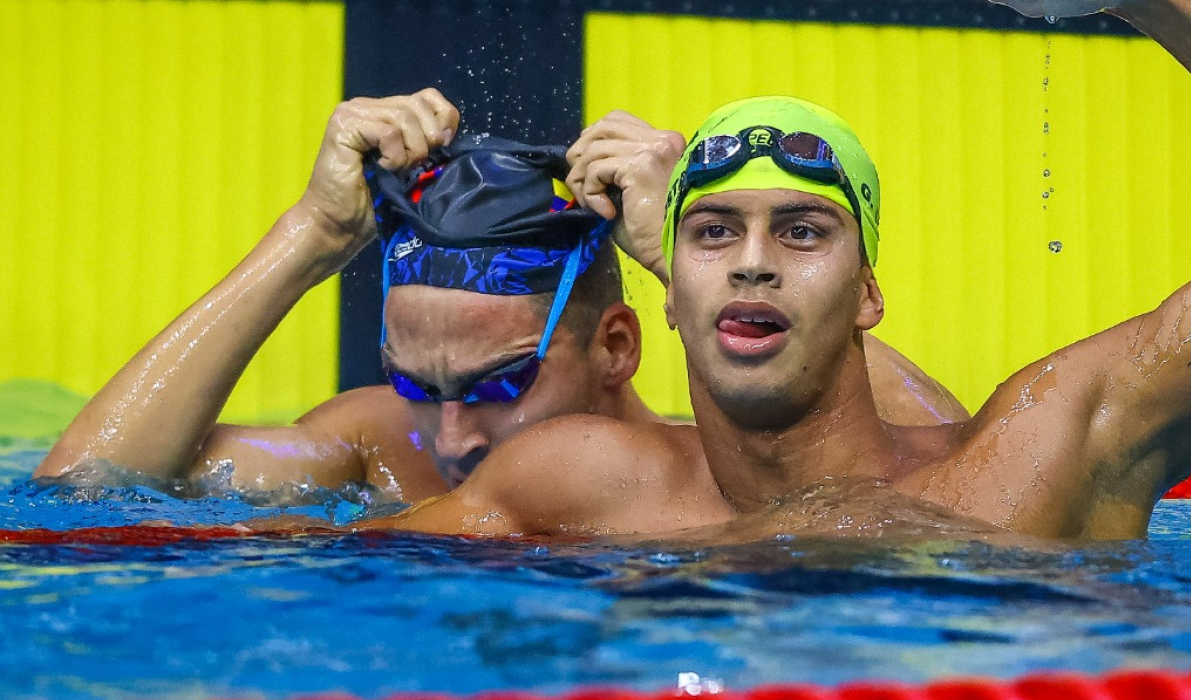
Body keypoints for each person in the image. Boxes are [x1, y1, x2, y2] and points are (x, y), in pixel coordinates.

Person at [360, 0, 1191, 542]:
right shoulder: (580, 484)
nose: (750, 264)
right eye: (713, 232)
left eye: (801, 232)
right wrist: (316, 237)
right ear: (668, 290)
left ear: (869, 291)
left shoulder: (1032, 463)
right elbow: (220, 541)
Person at [36, 94, 965, 500]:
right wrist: (309, 238)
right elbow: (86, 487)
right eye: (417, 382)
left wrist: (672, 253)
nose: (450, 438)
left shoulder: (699, 483)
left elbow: (942, 480)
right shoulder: (381, 452)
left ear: (616, 348)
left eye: (495, 385)